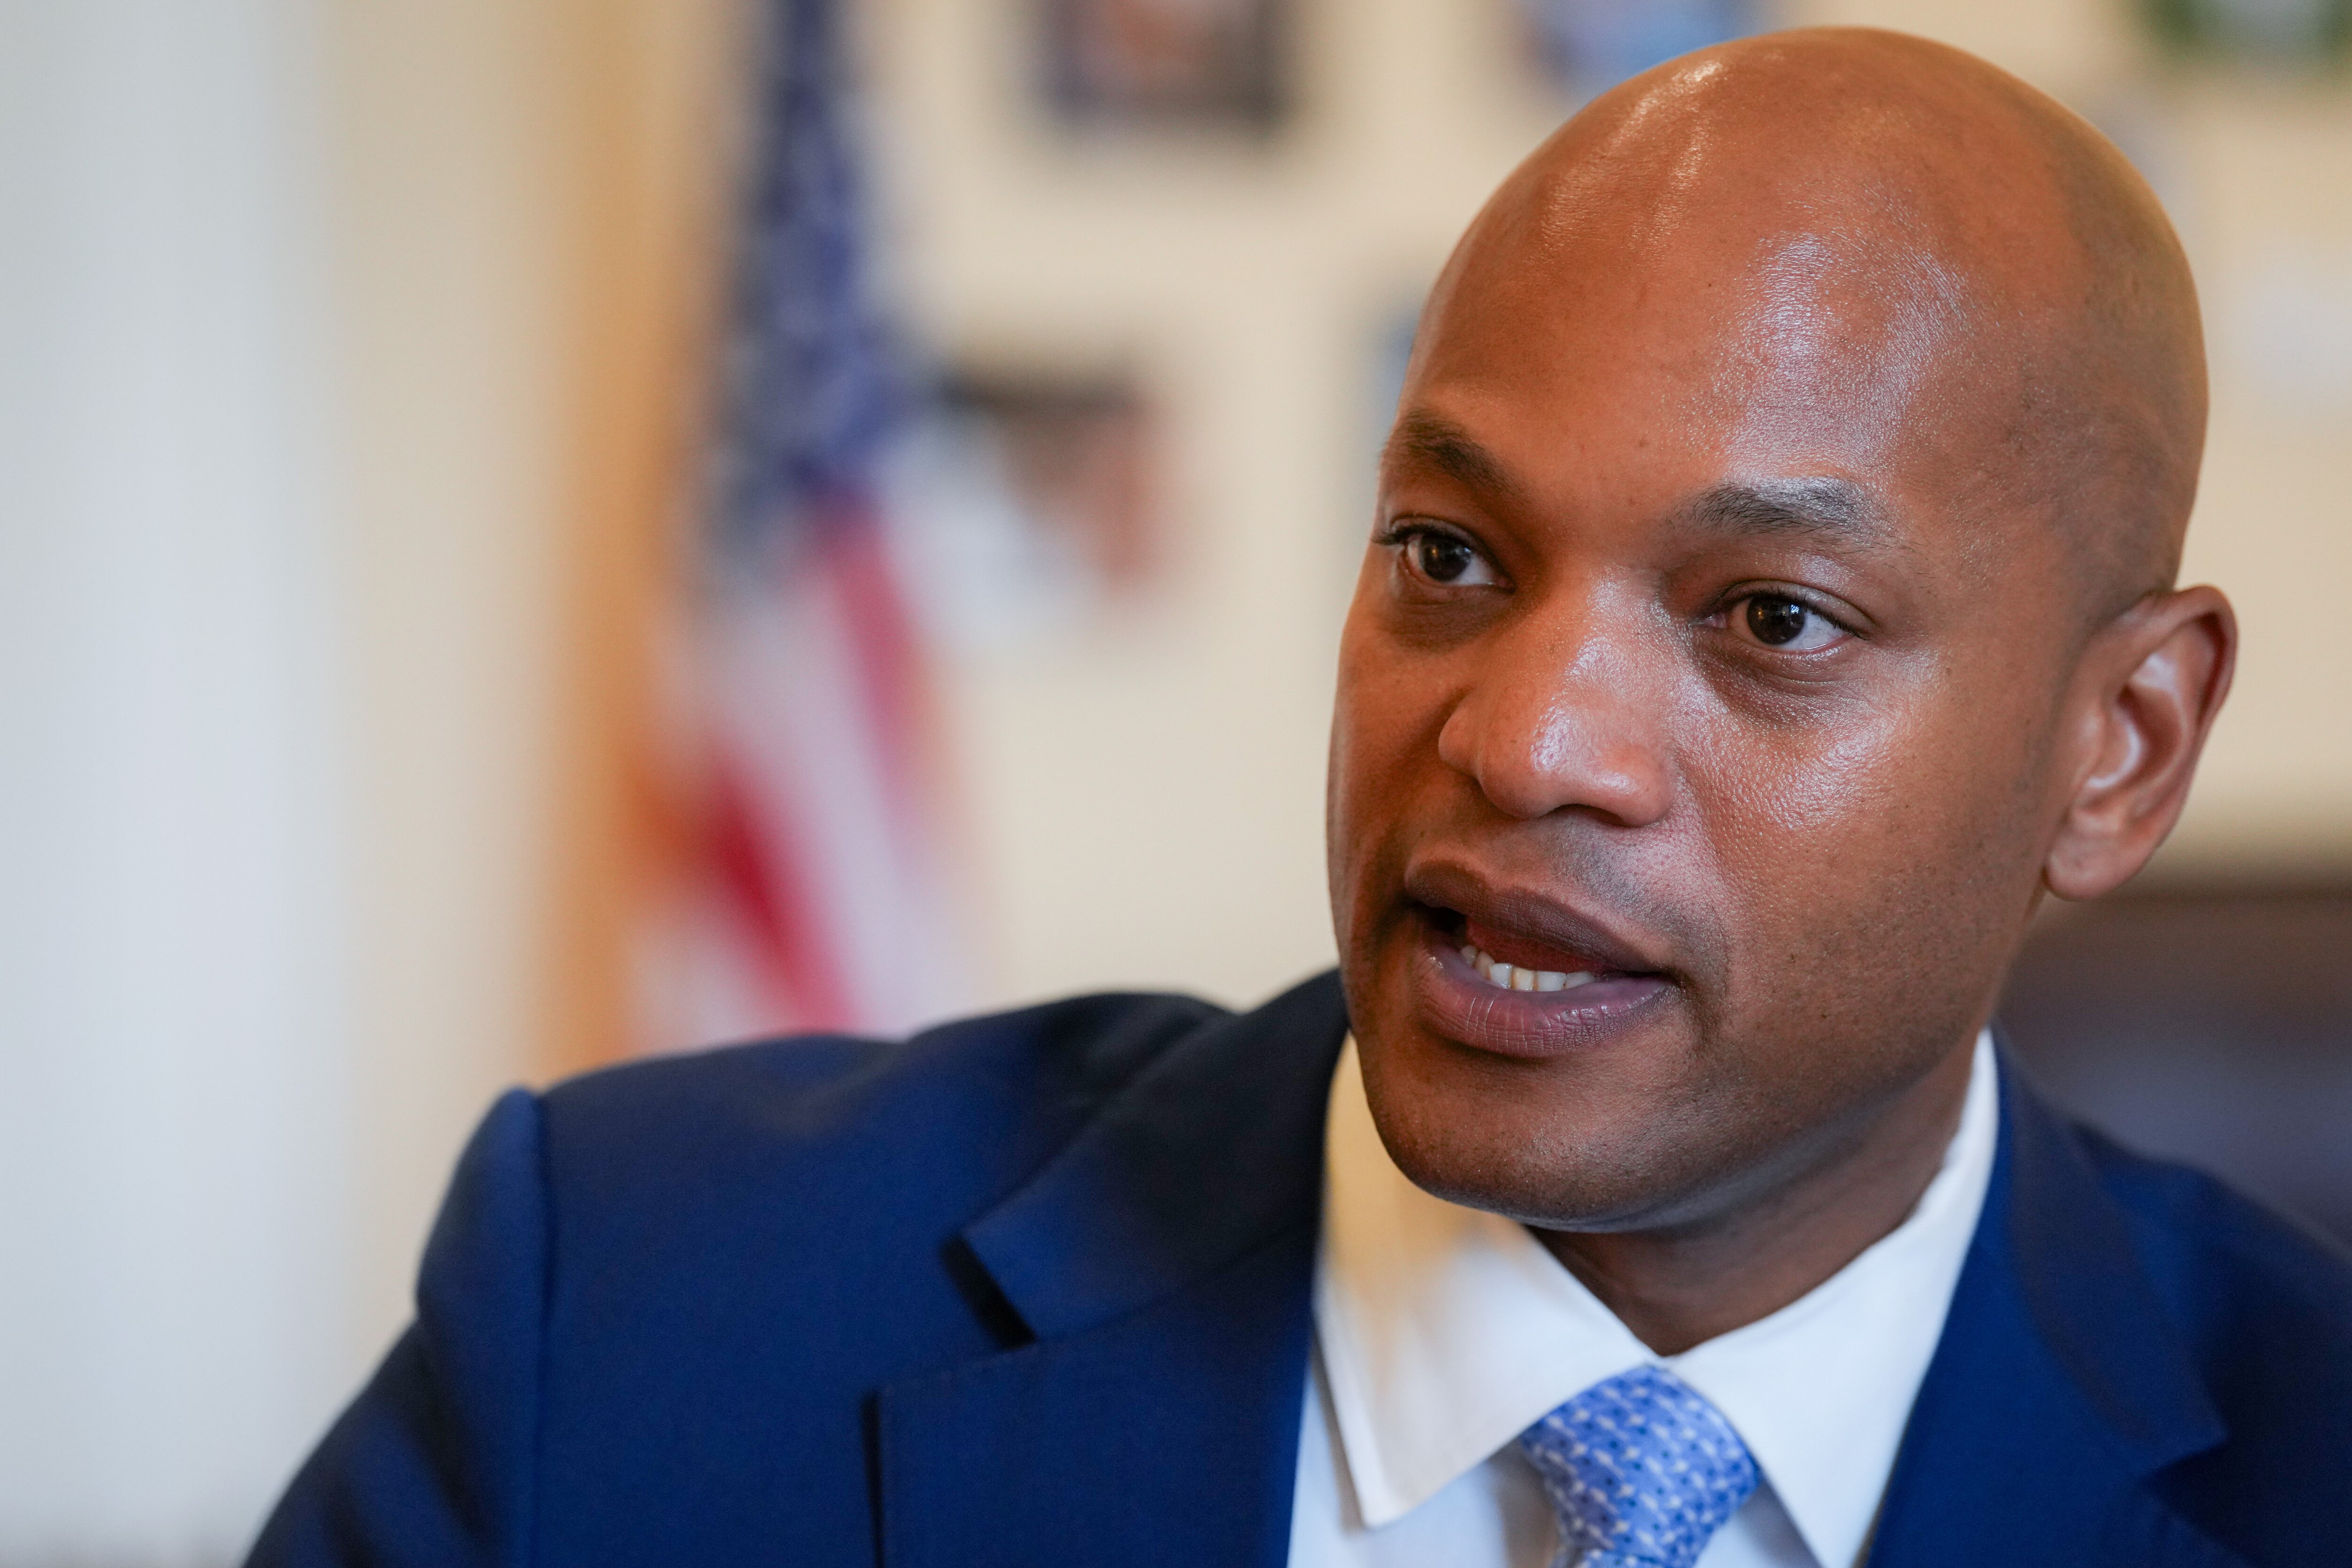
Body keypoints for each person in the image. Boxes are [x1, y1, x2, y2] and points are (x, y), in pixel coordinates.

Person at [247, 26, 2351, 1568]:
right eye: (1448, 553)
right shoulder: (632, 1310)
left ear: (2122, 746)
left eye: (1771, 619)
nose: (1524, 742)